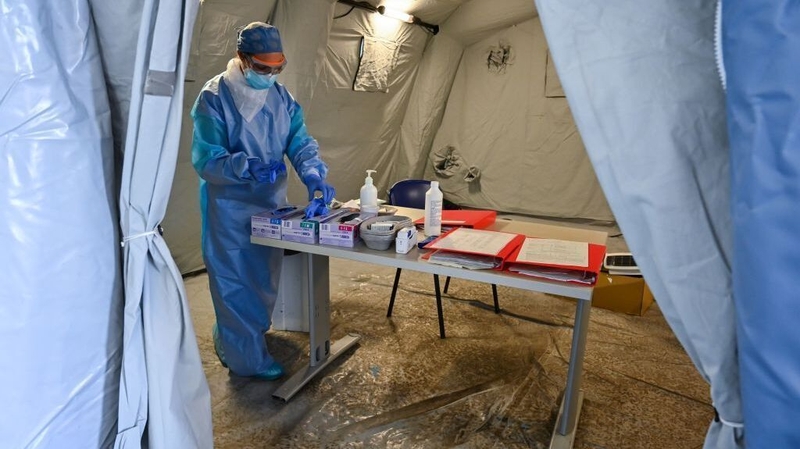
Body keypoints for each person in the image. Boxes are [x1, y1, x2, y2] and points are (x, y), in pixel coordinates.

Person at [190, 22, 335, 380]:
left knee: (263, 280)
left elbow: (299, 141)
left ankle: (235, 334)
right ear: (242, 58)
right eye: (262, 67)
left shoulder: (281, 98)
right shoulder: (214, 97)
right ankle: (246, 361)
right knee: (233, 281)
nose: (270, 75)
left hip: (270, 206)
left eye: (278, 67)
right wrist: (244, 167)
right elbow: (206, 158)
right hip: (228, 208)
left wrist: (313, 175)